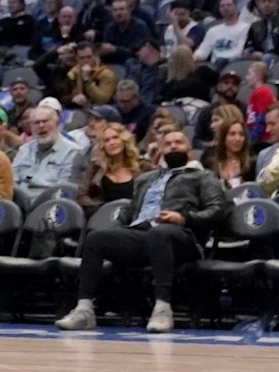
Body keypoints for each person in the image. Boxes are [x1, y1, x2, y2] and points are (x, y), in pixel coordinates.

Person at [55, 125, 231, 334]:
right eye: (168, 144)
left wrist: (184, 218)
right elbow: (128, 212)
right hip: (143, 234)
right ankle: (84, 310)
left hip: (184, 237)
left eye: (179, 142)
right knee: (96, 238)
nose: (173, 146)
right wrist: (118, 233)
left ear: (188, 148)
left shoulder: (203, 177)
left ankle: (162, 309)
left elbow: (218, 211)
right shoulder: (146, 179)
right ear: (161, 150)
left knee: (160, 232)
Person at [9, 104, 87, 209]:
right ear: (31, 127)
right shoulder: (24, 150)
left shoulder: (73, 152)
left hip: (51, 207)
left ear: (57, 124)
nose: (41, 126)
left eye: (45, 121)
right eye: (36, 123)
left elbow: (64, 191)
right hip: (20, 205)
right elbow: (12, 181)